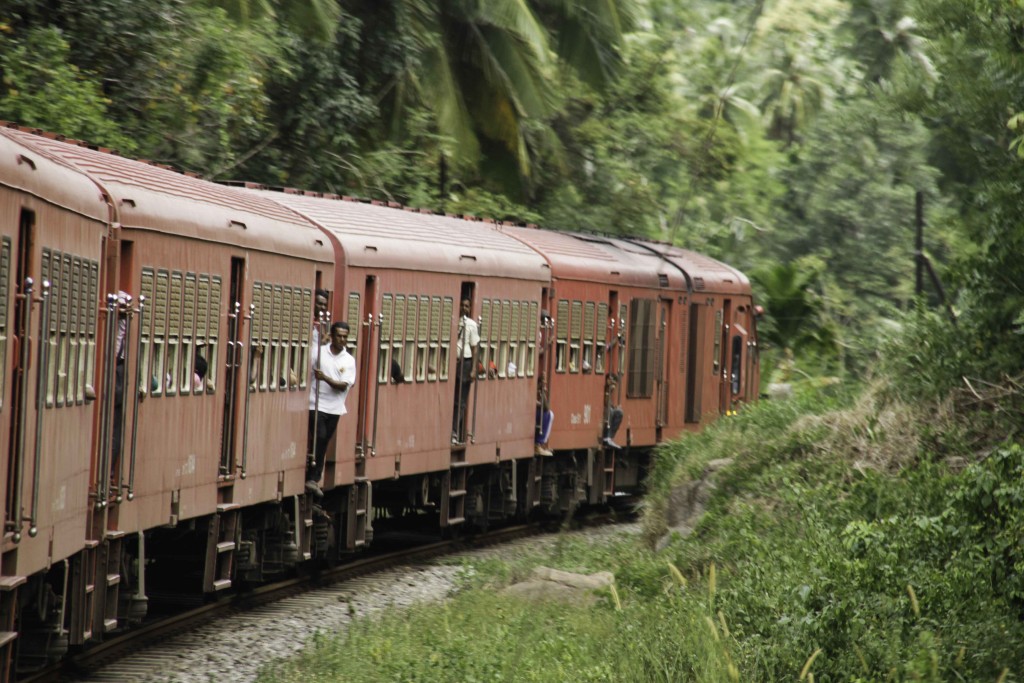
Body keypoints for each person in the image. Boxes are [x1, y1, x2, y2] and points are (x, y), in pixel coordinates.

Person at [306, 321, 355, 498]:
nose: (342, 339)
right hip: (315, 403)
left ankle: (314, 476)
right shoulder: (319, 352)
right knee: (319, 435)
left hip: (335, 408)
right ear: (332, 336)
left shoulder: (349, 361)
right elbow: (308, 368)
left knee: (324, 440)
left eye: (345, 336)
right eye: (339, 336)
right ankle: (312, 476)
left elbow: (343, 386)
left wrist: (324, 378)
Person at [452, 298, 479, 443]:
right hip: (452, 363)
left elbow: (475, 348)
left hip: (465, 363)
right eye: (462, 305)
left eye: (466, 306)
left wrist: (473, 369)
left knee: (460, 400)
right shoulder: (453, 321)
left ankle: (455, 431)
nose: (464, 308)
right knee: (452, 398)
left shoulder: (471, 325)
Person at [602, 373, 624, 450]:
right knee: (610, 411)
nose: (614, 386)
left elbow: (609, 403)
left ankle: (610, 437)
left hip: (607, 408)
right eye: (613, 383)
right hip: (603, 410)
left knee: (619, 412)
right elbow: (605, 402)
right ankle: (606, 437)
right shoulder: (605, 388)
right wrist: (608, 390)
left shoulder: (610, 390)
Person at [535, 376, 553, 456]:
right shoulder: (533, 388)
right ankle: (538, 443)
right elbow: (545, 407)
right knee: (548, 415)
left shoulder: (539, 391)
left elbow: (545, 406)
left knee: (549, 413)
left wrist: (542, 392)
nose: (544, 385)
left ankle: (540, 444)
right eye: (543, 383)